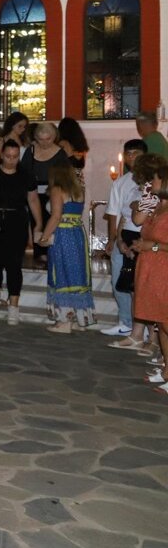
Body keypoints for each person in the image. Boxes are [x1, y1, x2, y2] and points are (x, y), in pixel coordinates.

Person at [0, 140, 44, 325]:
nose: (11, 160)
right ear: (2, 154)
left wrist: (38, 223)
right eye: (7, 156)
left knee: (14, 262)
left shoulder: (26, 175)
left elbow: (33, 199)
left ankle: (14, 305)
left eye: (15, 157)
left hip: (16, 221)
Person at [39, 163, 93, 332]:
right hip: (77, 234)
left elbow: (55, 216)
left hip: (62, 235)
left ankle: (64, 321)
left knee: (62, 273)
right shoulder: (79, 191)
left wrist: (44, 237)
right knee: (77, 274)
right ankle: (79, 319)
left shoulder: (57, 190)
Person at [104, 142, 150, 338]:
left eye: (136, 153)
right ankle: (126, 321)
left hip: (144, 236)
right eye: (128, 154)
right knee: (119, 280)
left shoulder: (153, 181)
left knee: (140, 285)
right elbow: (114, 213)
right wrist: (113, 239)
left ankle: (146, 328)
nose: (132, 158)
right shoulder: (122, 182)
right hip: (125, 235)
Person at [130, 155, 168, 390]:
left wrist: (152, 247)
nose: (149, 183)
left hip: (164, 270)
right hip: (153, 270)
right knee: (162, 324)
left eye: (153, 179)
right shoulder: (158, 206)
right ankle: (167, 369)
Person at [20, 122, 68, 264]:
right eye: (41, 139)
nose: (45, 142)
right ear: (36, 137)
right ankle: (39, 252)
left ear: (54, 137)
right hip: (33, 193)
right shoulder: (31, 150)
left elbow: (65, 176)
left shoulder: (60, 153)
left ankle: (51, 252)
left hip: (53, 193)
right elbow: (23, 172)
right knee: (36, 222)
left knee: (51, 219)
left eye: (48, 139)